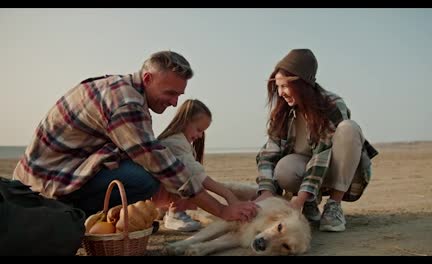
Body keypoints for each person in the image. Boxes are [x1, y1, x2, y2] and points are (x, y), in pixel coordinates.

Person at [12, 51, 257, 223]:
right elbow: (162, 166)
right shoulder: (126, 103)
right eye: (170, 93)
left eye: (179, 95)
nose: (174, 103)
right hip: (47, 180)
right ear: (148, 78)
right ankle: (69, 216)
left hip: (62, 168)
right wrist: (222, 211)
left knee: (144, 170)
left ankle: (101, 216)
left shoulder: (124, 89)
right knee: (145, 178)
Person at [254, 49, 378, 232]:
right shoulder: (283, 111)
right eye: (277, 86)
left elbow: (323, 154)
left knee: (349, 128)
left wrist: (301, 198)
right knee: (283, 169)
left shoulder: (332, 104)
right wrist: (266, 192)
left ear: (303, 84)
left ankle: (333, 206)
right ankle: (311, 203)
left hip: (336, 168)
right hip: (305, 168)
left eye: (285, 86)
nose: (280, 93)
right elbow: (269, 153)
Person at [152, 99, 243, 231]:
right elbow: (197, 175)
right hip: (152, 193)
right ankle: (175, 214)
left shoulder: (182, 142)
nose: (200, 135)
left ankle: (168, 210)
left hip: (156, 192)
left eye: (202, 132)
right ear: (186, 121)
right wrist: (228, 195)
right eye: (199, 130)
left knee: (194, 179)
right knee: (191, 180)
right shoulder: (175, 143)